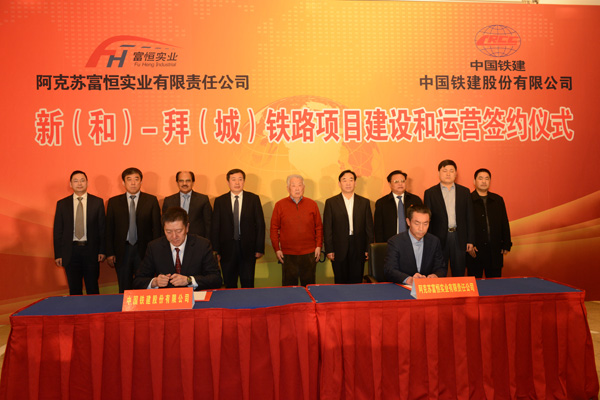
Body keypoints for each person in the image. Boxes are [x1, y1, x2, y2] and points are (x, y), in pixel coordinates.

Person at [134, 207, 222, 290]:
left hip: (195, 297)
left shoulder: (202, 245)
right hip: (168, 298)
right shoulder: (154, 247)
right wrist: (155, 282)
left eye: (179, 231)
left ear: (187, 227)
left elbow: (216, 279)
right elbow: (138, 281)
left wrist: (189, 280)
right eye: (168, 232)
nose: (174, 236)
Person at [106, 167, 161, 292]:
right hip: (122, 251)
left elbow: (157, 228)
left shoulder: (151, 200)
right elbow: (109, 229)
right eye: (129, 179)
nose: (133, 183)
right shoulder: (114, 202)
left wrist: (156, 251)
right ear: (123, 182)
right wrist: (110, 252)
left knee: (145, 285)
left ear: (141, 181)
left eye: (136, 179)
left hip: (145, 250)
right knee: (124, 287)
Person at [53, 170, 105, 295]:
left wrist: (102, 250)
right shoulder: (62, 204)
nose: (79, 183)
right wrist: (58, 254)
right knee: (74, 289)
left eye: (82, 180)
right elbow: (58, 230)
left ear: (87, 183)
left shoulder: (97, 202)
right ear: (70, 184)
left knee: (92, 287)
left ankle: (94, 308)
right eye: (75, 181)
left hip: (91, 250)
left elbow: (102, 228)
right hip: (70, 252)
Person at [211, 169, 265, 288]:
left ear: (244, 181)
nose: (237, 183)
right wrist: (216, 250)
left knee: (248, 284)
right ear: (228, 182)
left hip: (248, 249)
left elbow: (260, 225)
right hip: (226, 250)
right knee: (229, 284)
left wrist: (259, 248)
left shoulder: (253, 199)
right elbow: (215, 227)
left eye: (240, 179)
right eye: (233, 179)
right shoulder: (220, 201)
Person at [424, 160, 475, 277]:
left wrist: (470, 240)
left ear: (456, 173)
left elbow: (470, 217)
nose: (448, 174)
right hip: (438, 239)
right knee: (439, 271)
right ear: (438, 173)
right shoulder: (430, 193)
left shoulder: (464, 192)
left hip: (459, 237)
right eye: (445, 171)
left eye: (451, 171)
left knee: (459, 272)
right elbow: (427, 219)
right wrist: (428, 241)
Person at [270, 175, 323, 286]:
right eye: (293, 185)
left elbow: (318, 227)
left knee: (309, 286)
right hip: (287, 254)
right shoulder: (279, 205)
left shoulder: (312, 204)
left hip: (309, 253)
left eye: (300, 185)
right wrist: (277, 249)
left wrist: (318, 246)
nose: (297, 188)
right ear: (288, 188)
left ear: (304, 187)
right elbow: (274, 228)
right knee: (289, 288)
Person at [323, 170, 374, 283]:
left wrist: (368, 248)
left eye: (351, 180)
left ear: (355, 183)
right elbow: (327, 228)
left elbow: (369, 228)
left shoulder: (364, 202)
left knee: (357, 279)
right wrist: (329, 249)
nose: (348, 183)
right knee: (340, 280)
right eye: (344, 180)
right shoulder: (331, 202)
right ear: (339, 183)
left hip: (359, 247)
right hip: (338, 247)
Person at [467, 168, 512, 278]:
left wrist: (506, 243)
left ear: (490, 181)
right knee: (476, 282)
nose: (484, 181)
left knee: (495, 283)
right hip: (475, 250)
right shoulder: (468, 200)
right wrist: (469, 242)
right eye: (480, 178)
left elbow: (504, 222)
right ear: (474, 181)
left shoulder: (497, 200)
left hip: (495, 249)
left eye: (487, 178)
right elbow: (463, 224)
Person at [384, 205, 446, 285]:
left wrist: (435, 275)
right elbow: (390, 270)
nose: (421, 228)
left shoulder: (434, 241)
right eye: (417, 223)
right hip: (403, 287)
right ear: (408, 222)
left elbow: (441, 268)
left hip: (426, 287)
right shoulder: (395, 242)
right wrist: (409, 279)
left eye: (425, 224)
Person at [374, 170, 423, 243]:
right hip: (391, 242)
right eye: (396, 182)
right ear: (389, 184)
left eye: (403, 181)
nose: (400, 184)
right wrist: (381, 245)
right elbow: (378, 228)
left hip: (413, 241)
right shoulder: (381, 203)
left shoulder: (415, 200)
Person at [162, 171, 212, 239]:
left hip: (197, 240)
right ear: (177, 183)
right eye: (181, 181)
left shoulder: (203, 199)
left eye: (188, 181)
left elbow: (209, 224)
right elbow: (164, 224)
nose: (184, 183)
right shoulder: (168, 201)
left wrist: (207, 242)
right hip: (175, 239)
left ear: (193, 182)